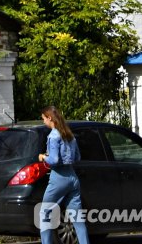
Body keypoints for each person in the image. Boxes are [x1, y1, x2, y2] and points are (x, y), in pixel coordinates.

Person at [38, 105, 88, 244]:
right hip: (73, 177)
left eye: (43, 119)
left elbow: (54, 160)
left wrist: (43, 157)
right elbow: (77, 157)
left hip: (58, 178)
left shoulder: (53, 136)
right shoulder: (69, 135)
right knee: (77, 218)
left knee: (44, 213)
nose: (43, 122)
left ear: (49, 118)